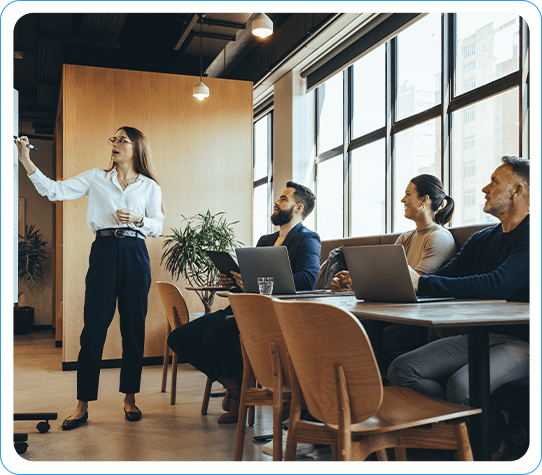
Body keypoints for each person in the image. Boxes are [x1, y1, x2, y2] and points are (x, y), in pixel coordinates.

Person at [15, 127, 164, 430]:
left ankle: (130, 398)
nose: (115, 144)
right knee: (93, 330)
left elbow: (158, 226)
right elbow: (53, 190)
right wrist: (26, 160)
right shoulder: (97, 177)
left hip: (136, 253)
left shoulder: (149, 186)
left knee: (133, 328)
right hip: (105, 252)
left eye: (122, 139)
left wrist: (139, 219)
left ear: (136, 147)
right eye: (113, 139)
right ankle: (82, 405)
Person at [167, 182, 320, 423]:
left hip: (272, 316)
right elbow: (251, 283)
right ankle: (235, 385)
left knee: (213, 338)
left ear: (298, 207)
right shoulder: (265, 240)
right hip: (241, 309)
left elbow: (308, 279)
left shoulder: (307, 239)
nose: (276, 202)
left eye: (283, 199)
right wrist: (234, 281)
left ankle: (240, 389)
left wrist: (257, 280)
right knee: (178, 337)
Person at [388, 156, 530, 409]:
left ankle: (478, 441)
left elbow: (500, 284)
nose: (485, 189)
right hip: (481, 334)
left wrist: (421, 284)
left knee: (462, 385)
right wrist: (404, 282)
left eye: (494, 182)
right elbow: (446, 276)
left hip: (527, 341)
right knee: (402, 370)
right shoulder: (483, 238)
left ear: (517, 190)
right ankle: (466, 431)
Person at [327, 174, 458, 359]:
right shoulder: (406, 237)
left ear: (424, 200)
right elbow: (388, 279)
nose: (402, 199)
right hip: (392, 315)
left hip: (415, 323)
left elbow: (413, 285)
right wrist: (350, 284)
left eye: (407, 194)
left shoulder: (439, 237)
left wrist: (360, 280)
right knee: (334, 327)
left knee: (349, 336)